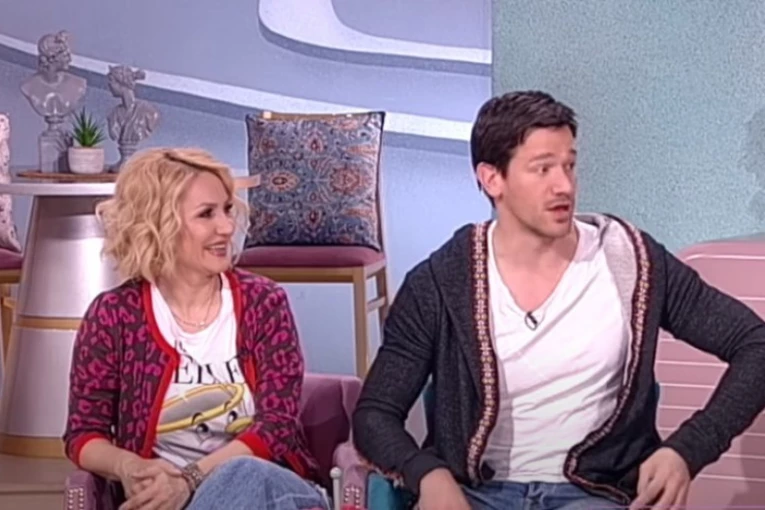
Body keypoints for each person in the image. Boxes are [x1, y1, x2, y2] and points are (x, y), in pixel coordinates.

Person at [352, 91, 765, 510]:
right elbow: (374, 414)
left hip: (595, 493)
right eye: (543, 168)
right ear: (492, 179)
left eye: (569, 165)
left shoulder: (633, 261)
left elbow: (756, 345)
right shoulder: (441, 282)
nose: (564, 185)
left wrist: (688, 450)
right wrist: (427, 474)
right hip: (474, 494)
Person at [64, 148, 329, 510]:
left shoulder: (263, 304)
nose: (227, 227)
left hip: (275, 491)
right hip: (163, 498)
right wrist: (130, 466)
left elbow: (276, 428)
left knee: (243, 474)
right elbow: (83, 434)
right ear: (159, 224)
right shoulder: (113, 315)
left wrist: (189, 480)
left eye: (227, 209)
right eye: (206, 214)